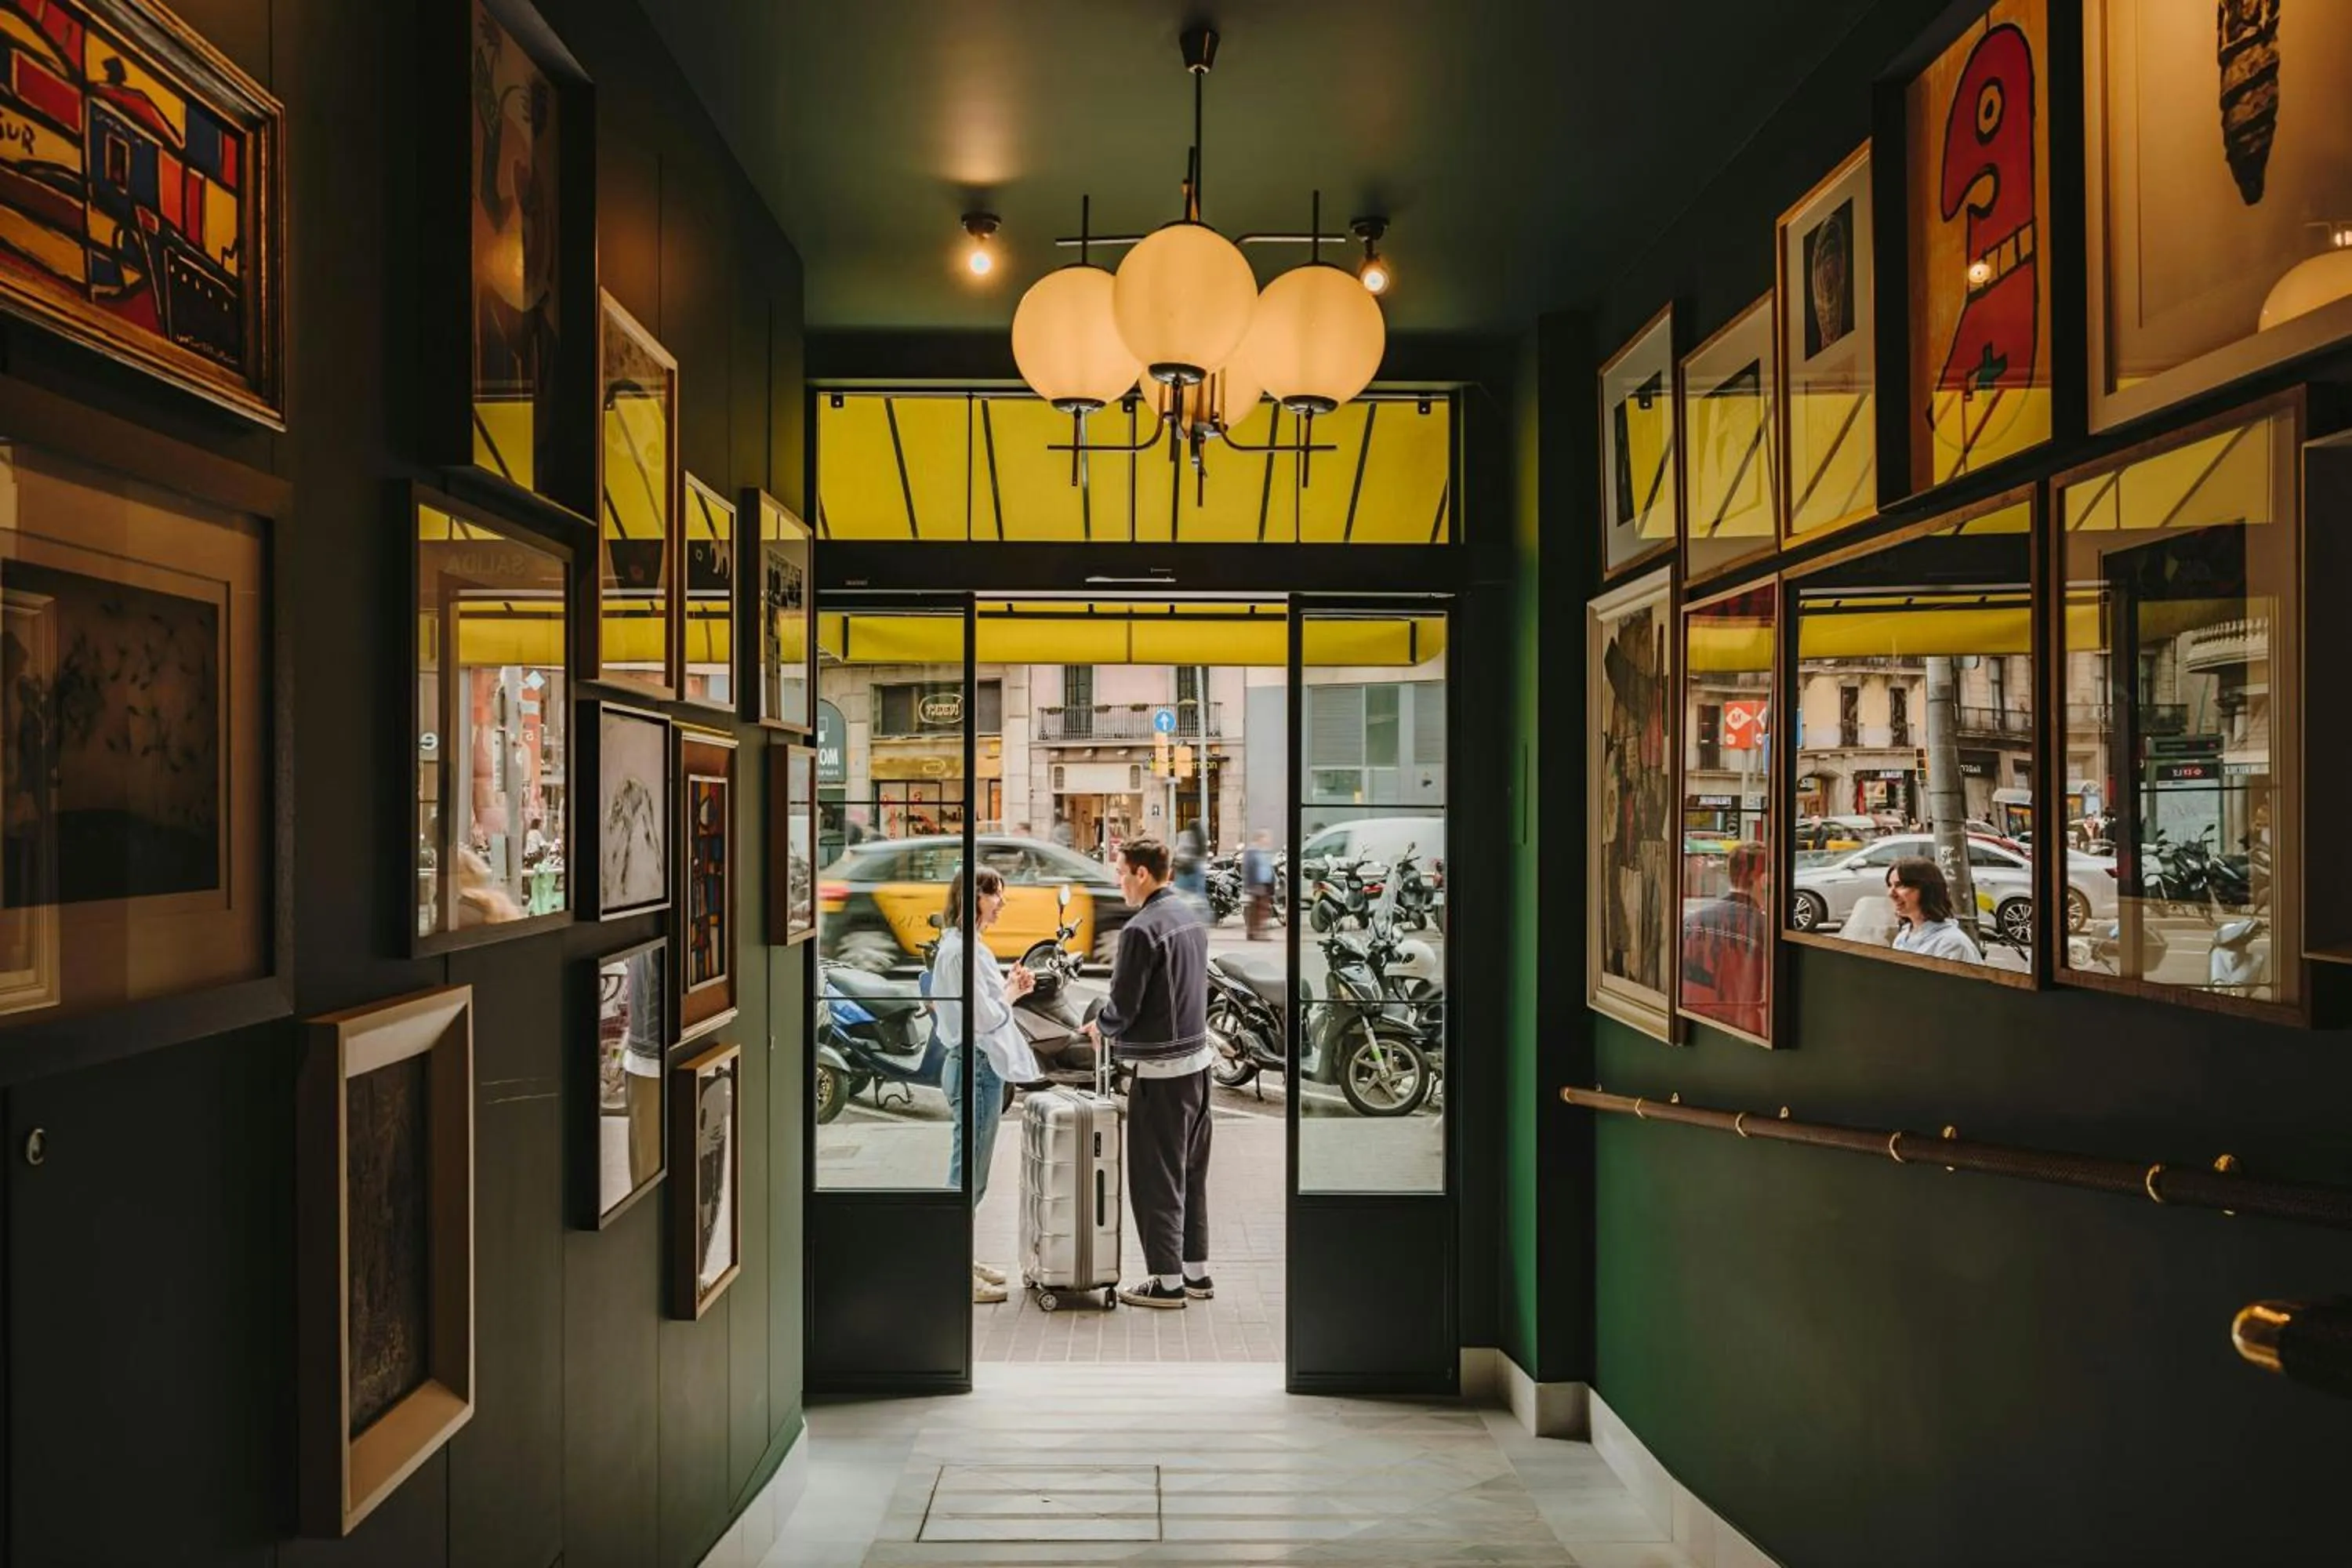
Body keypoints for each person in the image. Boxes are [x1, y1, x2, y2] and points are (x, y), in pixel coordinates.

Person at [1084, 836, 1214, 1309]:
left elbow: (1124, 1004)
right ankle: (1196, 1274)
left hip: (1161, 1074)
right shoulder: (1188, 916)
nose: (1118, 881)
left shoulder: (1140, 930)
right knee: (1190, 1175)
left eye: (1121, 872)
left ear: (1142, 873)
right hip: (1199, 1068)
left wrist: (1100, 1026)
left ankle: (1167, 1283)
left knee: (1156, 1179)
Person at [931, 866, 1040, 1303]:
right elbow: (986, 1016)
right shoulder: (961, 951)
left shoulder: (967, 946)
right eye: (995, 894)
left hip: (978, 1064)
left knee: (972, 1175)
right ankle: (948, 1266)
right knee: (967, 1176)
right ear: (973, 897)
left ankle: (959, 1255)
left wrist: (1009, 987)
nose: (1001, 903)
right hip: (975, 1065)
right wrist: (1011, 994)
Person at [1886, 857, 1982, 964]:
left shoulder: (1952, 944)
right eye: (1890, 885)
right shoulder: (1903, 937)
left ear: (1926, 889)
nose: (1891, 894)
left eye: (1900, 885)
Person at [1242, 829, 1275, 940]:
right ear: (1260, 839)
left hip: (1264, 884)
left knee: (1258, 909)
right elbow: (1249, 870)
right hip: (1257, 884)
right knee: (1260, 909)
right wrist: (1249, 885)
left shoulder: (1262, 852)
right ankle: (1257, 932)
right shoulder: (1253, 852)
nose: (1268, 841)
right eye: (1266, 838)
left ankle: (1254, 932)